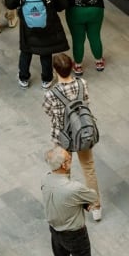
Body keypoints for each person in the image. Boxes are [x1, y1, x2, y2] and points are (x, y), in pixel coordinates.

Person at [41, 147, 97, 256]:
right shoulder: (73, 188)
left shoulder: (46, 179)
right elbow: (92, 196)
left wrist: (79, 204)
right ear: (64, 165)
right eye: (68, 159)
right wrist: (84, 204)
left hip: (55, 230)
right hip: (75, 234)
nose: (70, 161)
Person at [44, 55, 101, 218]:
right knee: (88, 168)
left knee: (63, 172)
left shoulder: (51, 94)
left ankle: (66, 205)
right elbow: (87, 103)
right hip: (82, 134)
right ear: (71, 68)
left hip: (62, 137)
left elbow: (48, 111)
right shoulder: (82, 84)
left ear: (55, 71)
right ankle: (96, 207)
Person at [5, 0, 69, 89]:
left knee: (26, 50)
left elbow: (9, 3)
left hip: (27, 25)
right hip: (48, 23)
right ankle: (46, 79)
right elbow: (63, 4)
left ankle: (24, 78)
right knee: (46, 51)